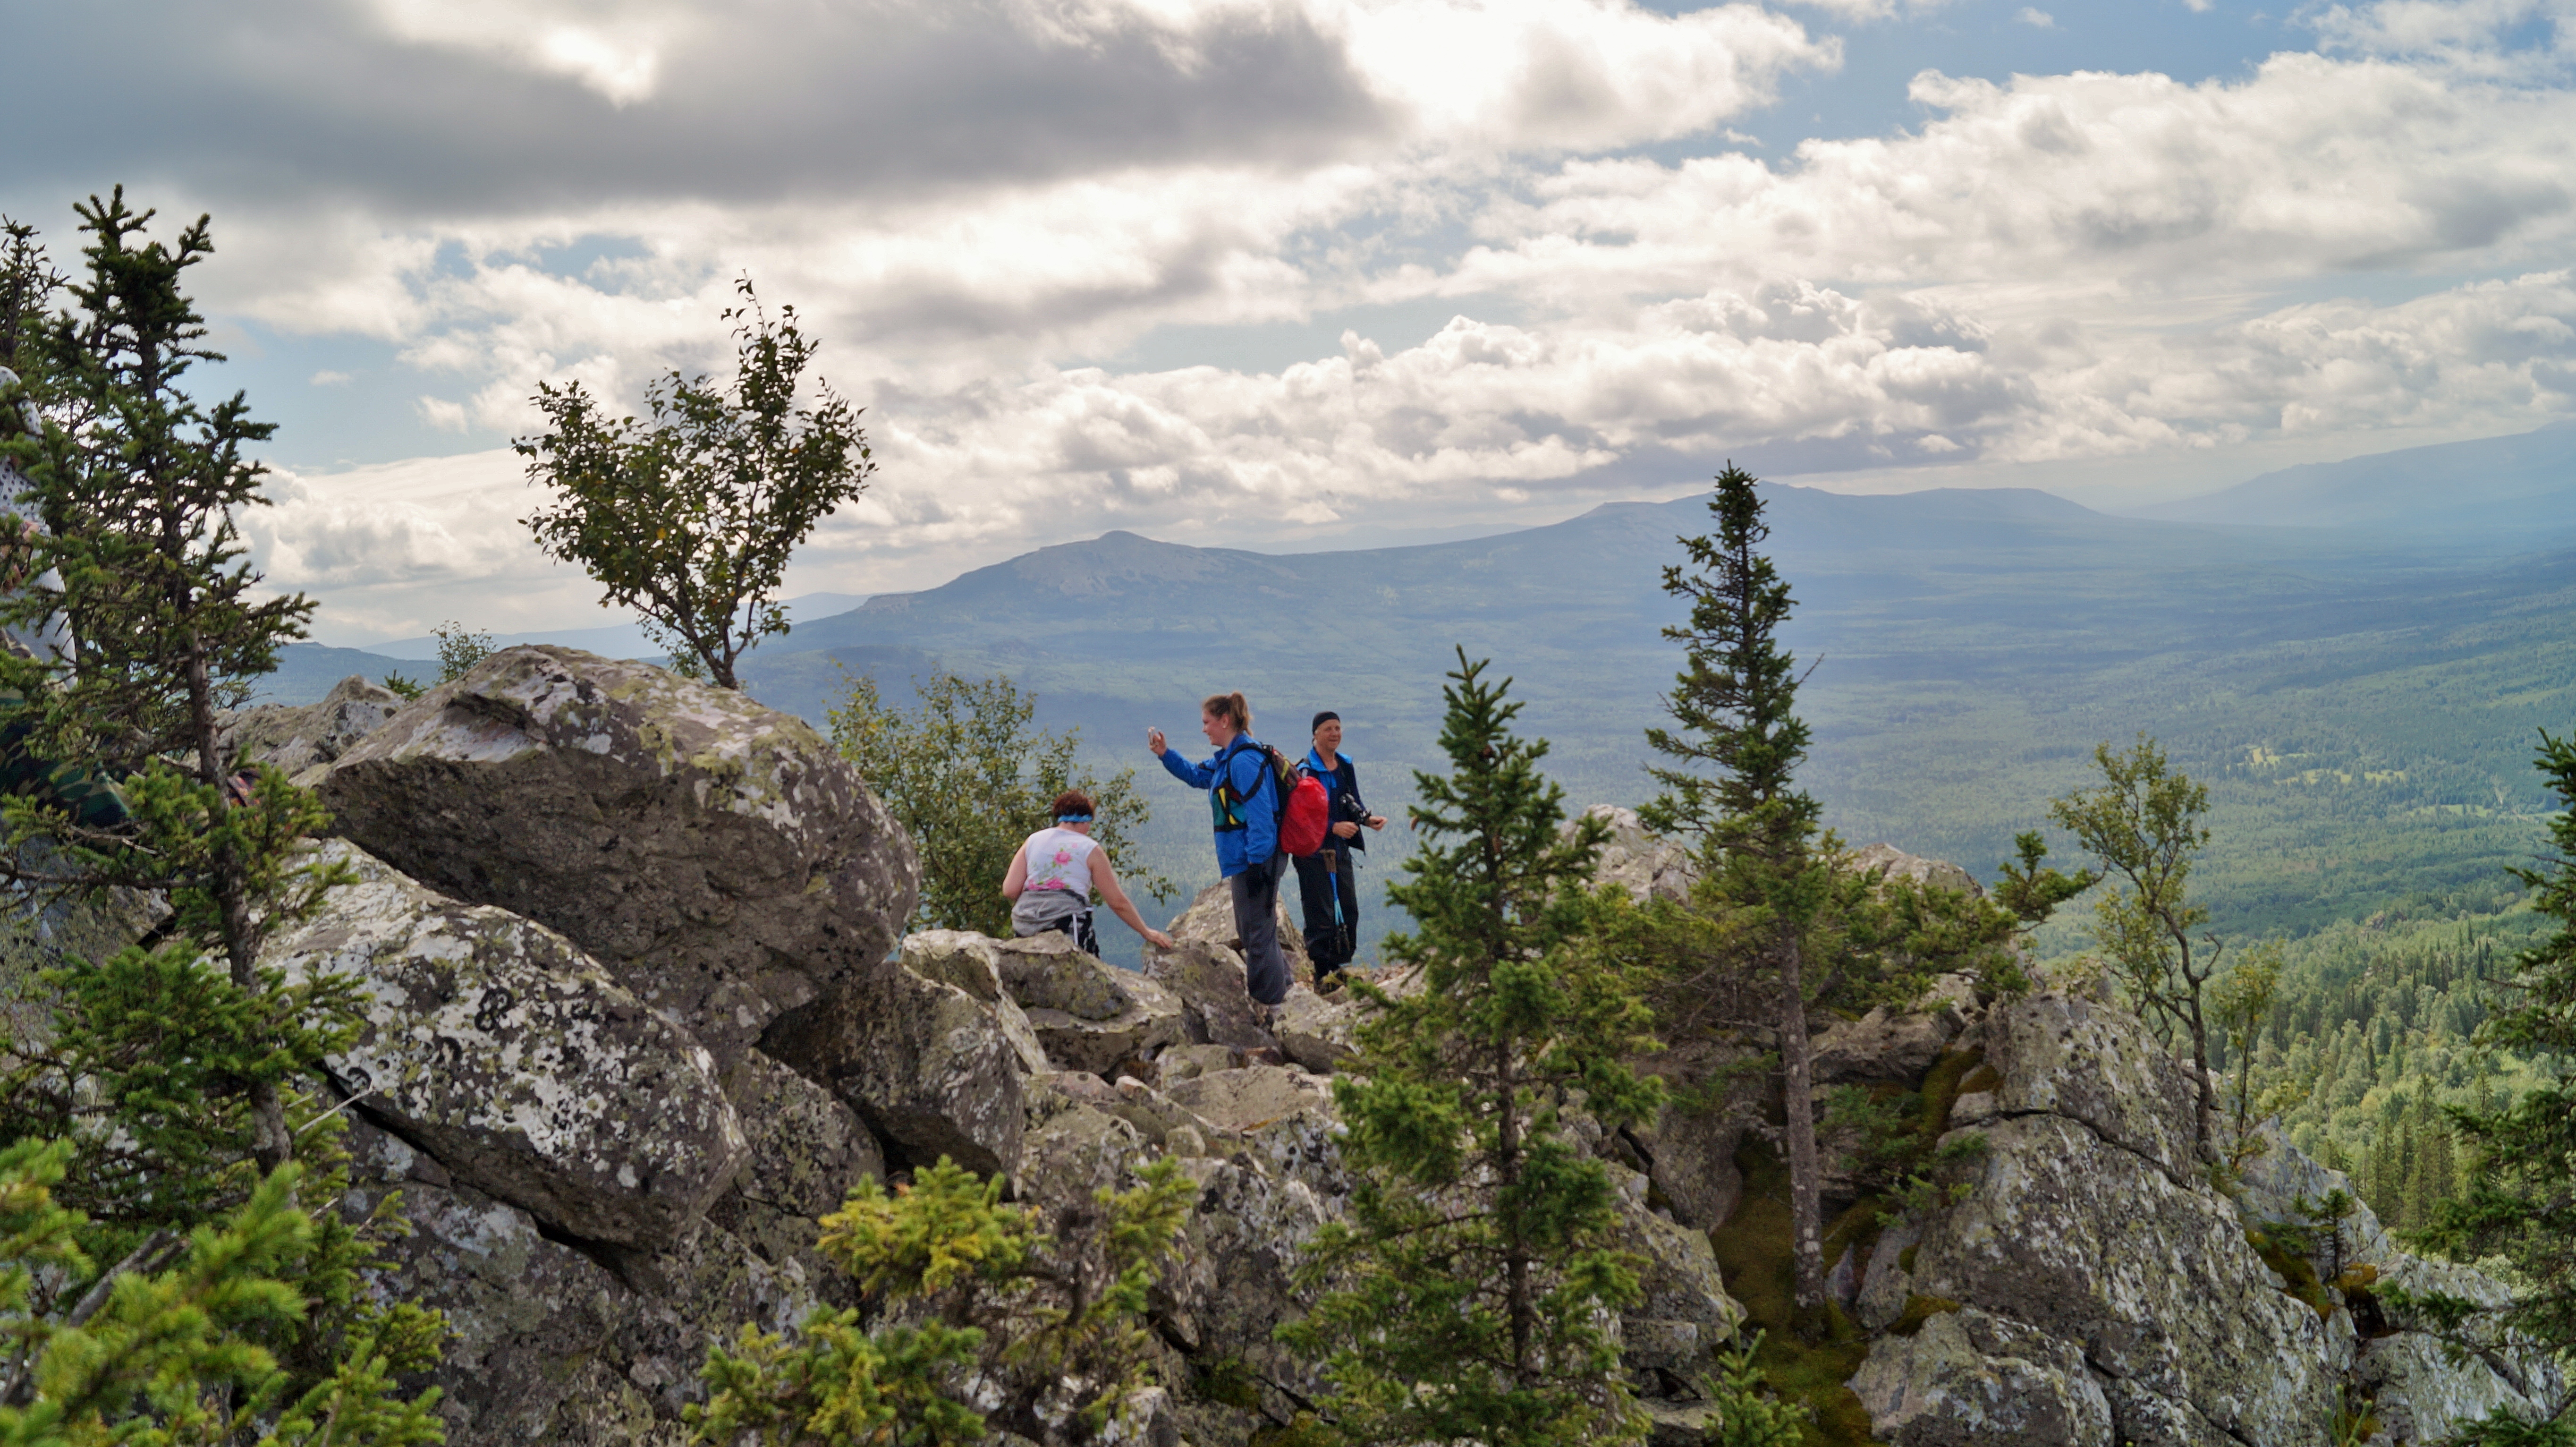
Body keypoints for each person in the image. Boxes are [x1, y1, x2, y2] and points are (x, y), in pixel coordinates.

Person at [1148, 691, 1290, 1015]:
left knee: (1255, 932)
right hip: (1250, 860)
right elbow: (1197, 776)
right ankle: (1285, 990)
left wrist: (1257, 865)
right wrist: (1165, 754)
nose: (1204, 730)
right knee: (1256, 928)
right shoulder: (1229, 757)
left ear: (1225, 721)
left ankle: (1275, 1006)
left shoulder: (1243, 760)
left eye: (1207, 723)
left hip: (1258, 860)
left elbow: (1261, 817)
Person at [1002, 789, 1175, 956]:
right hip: (1066, 921)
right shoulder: (1090, 848)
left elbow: (1010, 890)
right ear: (1086, 821)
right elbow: (1117, 902)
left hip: (1024, 922)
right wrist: (1146, 932)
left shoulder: (1033, 840)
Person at [1292, 710, 1385, 988]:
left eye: (1338, 728)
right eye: (1328, 729)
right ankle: (1323, 973)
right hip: (1313, 852)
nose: (1335, 734)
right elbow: (1301, 815)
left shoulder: (1344, 766)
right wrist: (1333, 827)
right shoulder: (1307, 770)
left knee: (1347, 909)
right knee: (1320, 912)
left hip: (1339, 850)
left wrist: (1367, 820)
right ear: (1315, 735)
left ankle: (1340, 967)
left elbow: (1352, 801)